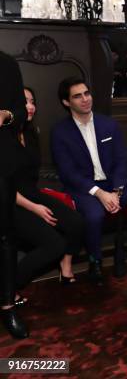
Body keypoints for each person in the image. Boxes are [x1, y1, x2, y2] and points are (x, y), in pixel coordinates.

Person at [51, 77, 127, 287]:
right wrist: (99, 193)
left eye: (87, 93)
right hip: (83, 189)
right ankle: (95, 261)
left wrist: (117, 191)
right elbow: (68, 173)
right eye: (77, 96)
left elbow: (121, 160)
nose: (85, 99)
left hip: (113, 185)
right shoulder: (60, 132)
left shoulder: (108, 124)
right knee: (94, 214)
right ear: (66, 102)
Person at [14, 87, 85, 288]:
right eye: (24, 101)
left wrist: (39, 200)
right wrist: (34, 208)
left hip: (31, 194)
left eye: (32, 102)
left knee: (76, 222)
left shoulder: (30, 133)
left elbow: (32, 174)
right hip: (10, 201)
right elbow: (5, 186)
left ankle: (66, 265)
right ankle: (8, 288)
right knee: (54, 244)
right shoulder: (4, 137)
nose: (30, 107)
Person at [0, 51, 29, 339]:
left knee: (5, 235)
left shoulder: (7, 63)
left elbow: (20, 111)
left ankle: (8, 306)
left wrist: (7, 115)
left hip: (2, 163)